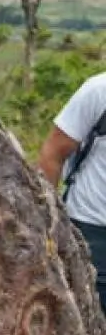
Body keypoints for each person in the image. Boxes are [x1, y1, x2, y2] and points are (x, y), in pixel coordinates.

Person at [38, 71, 106, 312]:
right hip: (91, 231)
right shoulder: (99, 90)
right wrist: (47, 222)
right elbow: (52, 154)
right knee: (86, 317)